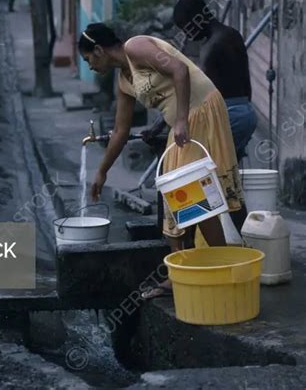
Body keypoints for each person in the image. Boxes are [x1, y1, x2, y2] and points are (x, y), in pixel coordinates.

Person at [78, 23, 245, 299]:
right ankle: (182, 275)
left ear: (98, 49)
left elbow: (180, 70)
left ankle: (222, 271)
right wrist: (102, 171)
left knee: (193, 196)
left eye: (89, 60)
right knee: (175, 197)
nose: (90, 67)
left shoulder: (136, 47)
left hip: (200, 110)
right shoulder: (123, 81)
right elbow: (120, 131)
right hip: (183, 122)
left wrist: (179, 121)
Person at [173, 0, 257, 234]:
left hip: (229, 114)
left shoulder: (210, 48)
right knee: (225, 179)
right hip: (246, 112)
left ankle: (207, 239)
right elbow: (246, 82)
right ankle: (245, 239)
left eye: (187, 29)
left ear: (196, 20)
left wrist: (170, 123)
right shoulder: (231, 34)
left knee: (208, 179)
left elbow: (200, 95)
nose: (188, 36)